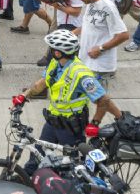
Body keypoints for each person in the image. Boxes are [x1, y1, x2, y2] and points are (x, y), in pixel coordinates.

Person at [11, 30, 122, 173]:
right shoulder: (55, 64)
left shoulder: (81, 74)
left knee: (73, 167)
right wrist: (24, 96)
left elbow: (104, 100)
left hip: (71, 128)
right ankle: (26, 178)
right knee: (37, 156)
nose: (50, 51)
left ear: (58, 52)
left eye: (52, 48)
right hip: (52, 122)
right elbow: (42, 83)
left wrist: (95, 123)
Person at [72, 0, 129, 90]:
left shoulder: (108, 7)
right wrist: (72, 33)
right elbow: (89, 25)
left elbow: (123, 35)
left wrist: (101, 48)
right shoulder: (90, 3)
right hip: (86, 62)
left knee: (100, 102)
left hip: (100, 67)